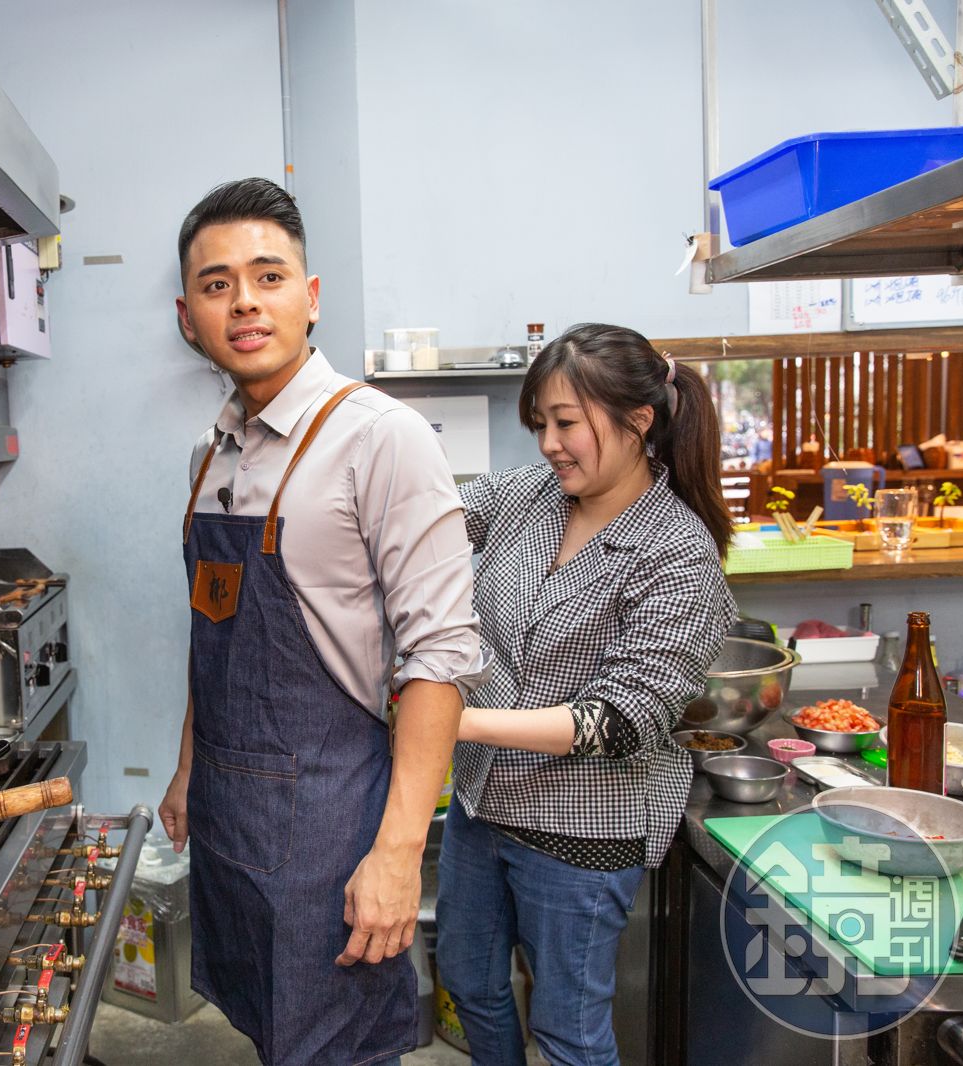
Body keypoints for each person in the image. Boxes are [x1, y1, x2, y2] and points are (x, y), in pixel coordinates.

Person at [157, 177, 486, 1066]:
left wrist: (398, 856)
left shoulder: (382, 438)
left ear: (310, 297)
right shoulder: (208, 456)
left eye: (267, 277)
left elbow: (441, 658)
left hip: (331, 827)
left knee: (336, 1046)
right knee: (271, 1032)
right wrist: (189, 770)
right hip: (230, 813)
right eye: (217, 284)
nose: (244, 302)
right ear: (189, 317)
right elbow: (209, 632)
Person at [434, 323, 737, 1066]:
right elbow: (432, 522)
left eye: (566, 423)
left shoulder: (678, 552)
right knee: (469, 982)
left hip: (579, 828)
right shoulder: (530, 496)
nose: (548, 444)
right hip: (482, 803)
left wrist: (448, 721)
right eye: (540, 423)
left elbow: (619, 721)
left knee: (567, 1030)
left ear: (639, 421)